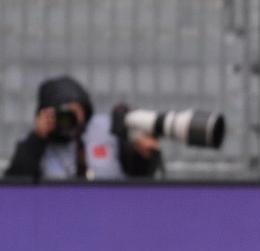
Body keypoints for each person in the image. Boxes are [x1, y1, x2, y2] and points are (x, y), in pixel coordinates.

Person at [4, 75, 161, 181]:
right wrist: (37, 139)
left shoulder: (108, 128)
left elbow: (141, 175)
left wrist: (145, 155)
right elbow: (15, 186)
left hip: (111, 210)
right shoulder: (35, 143)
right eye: (62, 113)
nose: (70, 119)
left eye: (75, 110)